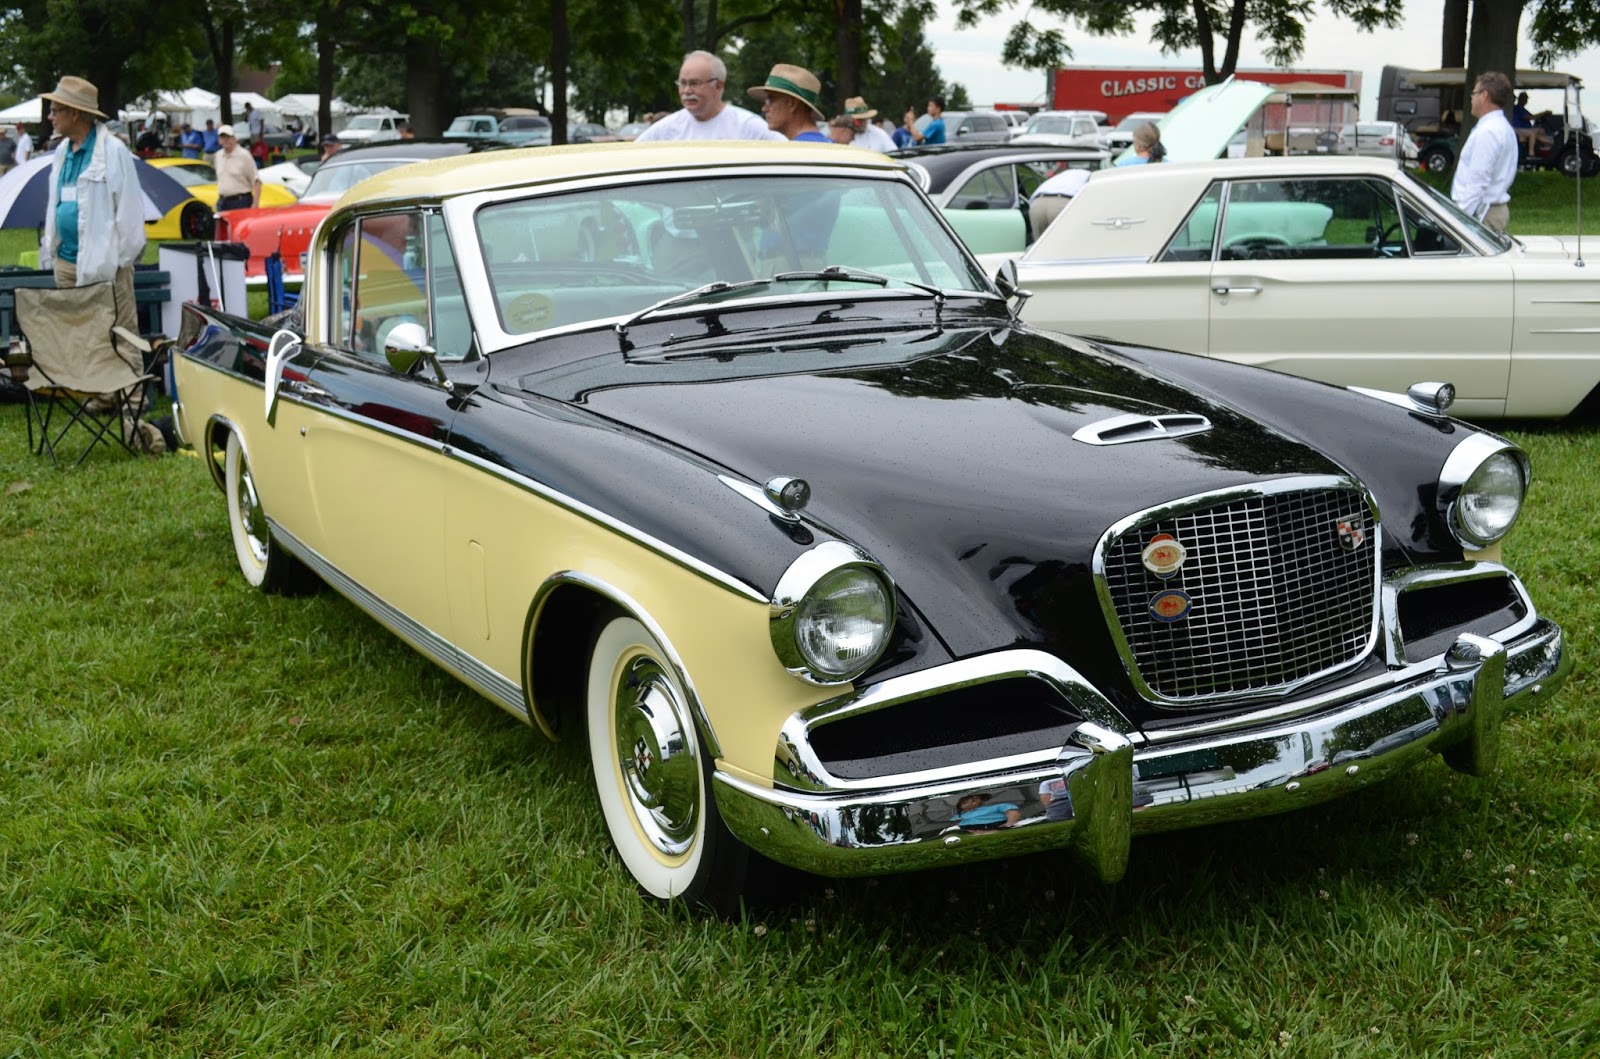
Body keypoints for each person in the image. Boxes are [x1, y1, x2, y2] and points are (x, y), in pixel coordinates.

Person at [38, 76, 148, 427]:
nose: (50, 116)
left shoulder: (113, 152)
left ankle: (132, 400)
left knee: (122, 330)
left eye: (56, 110)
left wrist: (121, 262)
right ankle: (101, 393)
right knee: (85, 331)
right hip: (67, 261)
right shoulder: (61, 152)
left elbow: (130, 211)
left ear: (75, 113)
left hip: (107, 264)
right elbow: (57, 203)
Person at [634, 50, 782, 142]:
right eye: (682, 83)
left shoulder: (748, 127)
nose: (686, 90)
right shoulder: (665, 130)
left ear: (718, 86)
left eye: (694, 83)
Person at [1451, 70, 1518, 233]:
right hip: (1487, 211)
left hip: (1480, 215)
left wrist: (1459, 221)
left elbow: (1478, 181)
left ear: (1484, 95)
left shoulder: (1488, 132)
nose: (1471, 99)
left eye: (1473, 93)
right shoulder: (1501, 127)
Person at [748, 64, 828, 141]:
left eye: (770, 100)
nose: (764, 109)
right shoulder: (827, 144)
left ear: (792, 103)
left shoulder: (797, 150)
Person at [1028, 165, 1091, 237]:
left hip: (1038, 203)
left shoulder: (1062, 176)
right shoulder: (1093, 176)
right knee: (1064, 243)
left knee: (1040, 244)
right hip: (1062, 202)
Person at [212, 124, 261, 211]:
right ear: (219, 140)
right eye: (223, 137)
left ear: (234, 138)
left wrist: (255, 204)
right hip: (223, 202)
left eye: (228, 137)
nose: (225, 140)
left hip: (241, 201)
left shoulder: (244, 155)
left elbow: (256, 181)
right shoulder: (218, 155)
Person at [1510, 90, 1553, 154]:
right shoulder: (1517, 108)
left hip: (1526, 128)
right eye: (1525, 99)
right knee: (1532, 133)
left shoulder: (1523, 109)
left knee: (1540, 130)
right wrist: (1542, 113)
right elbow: (1529, 117)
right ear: (1520, 99)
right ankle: (1531, 153)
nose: (1526, 101)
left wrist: (1543, 114)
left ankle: (1546, 146)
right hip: (1519, 129)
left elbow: (1532, 116)